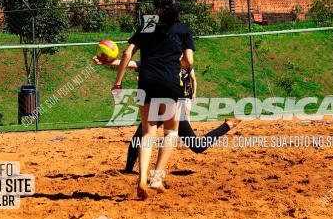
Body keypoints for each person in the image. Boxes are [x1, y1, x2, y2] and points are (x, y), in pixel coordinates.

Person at [112, 0, 194, 199]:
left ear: (157, 7)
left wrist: (118, 82)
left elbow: (127, 53)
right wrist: (178, 64)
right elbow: (189, 62)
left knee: (148, 133)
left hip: (146, 81)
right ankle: (156, 178)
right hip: (169, 82)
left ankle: (141, 179)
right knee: (170, 133)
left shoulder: (148, 23)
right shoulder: (181, 28)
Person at [94, 56, 234, 172]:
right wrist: (107, 62)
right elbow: (132, 63)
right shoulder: (156, 62)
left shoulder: (177, 65)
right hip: (155, 107)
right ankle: (128, 170)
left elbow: (188, 62)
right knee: (137, 138)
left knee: (197, 146)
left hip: (172, 109)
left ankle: (228, 124)